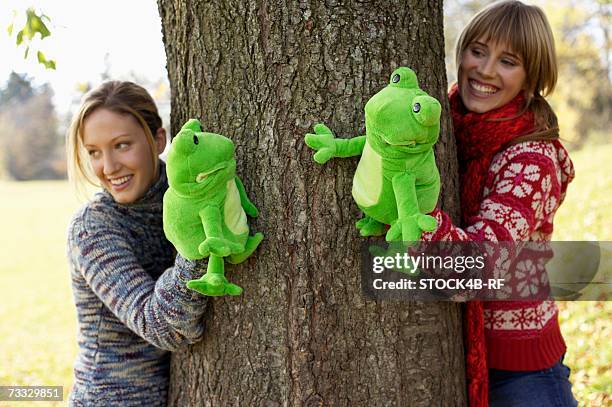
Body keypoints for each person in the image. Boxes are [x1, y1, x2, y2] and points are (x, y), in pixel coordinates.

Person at [422, 1, 577, 406]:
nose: (486, 70)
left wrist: (412, 208)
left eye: (508, 61)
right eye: (477, 50)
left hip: (524, 375)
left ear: (532, 76)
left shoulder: (532, 160)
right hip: (457, 357)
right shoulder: (448, 125)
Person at [65, 81, 208, 406]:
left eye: (122, 145)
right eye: (94, 153)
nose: (109, 167)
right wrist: (198, 242)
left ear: (158, 139)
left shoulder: (178, 199)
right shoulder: (93, 229)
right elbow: (159, 324)